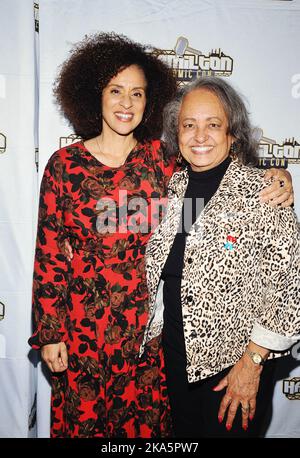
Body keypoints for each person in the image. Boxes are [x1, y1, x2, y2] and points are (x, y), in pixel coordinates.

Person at [29, 32, 293, 438]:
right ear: (93, 95)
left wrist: (279, 175)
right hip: (82, 337)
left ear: (149, 102)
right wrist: (49, 334)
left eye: (137, 93)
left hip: (148, 343)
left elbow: (218, 168)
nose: (126, 103)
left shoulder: (163, 161)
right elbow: (49, 255)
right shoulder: (64, 167)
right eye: (116, 91)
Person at [141, 77, 300, 438]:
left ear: (233, 136)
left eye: (213, 125)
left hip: (234, 370)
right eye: (189, 125)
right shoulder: (174, 188)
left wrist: (253, 363)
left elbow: (290, 290)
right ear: (176, 134)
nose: (200, 135)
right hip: (177, 361)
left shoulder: (262, 193)